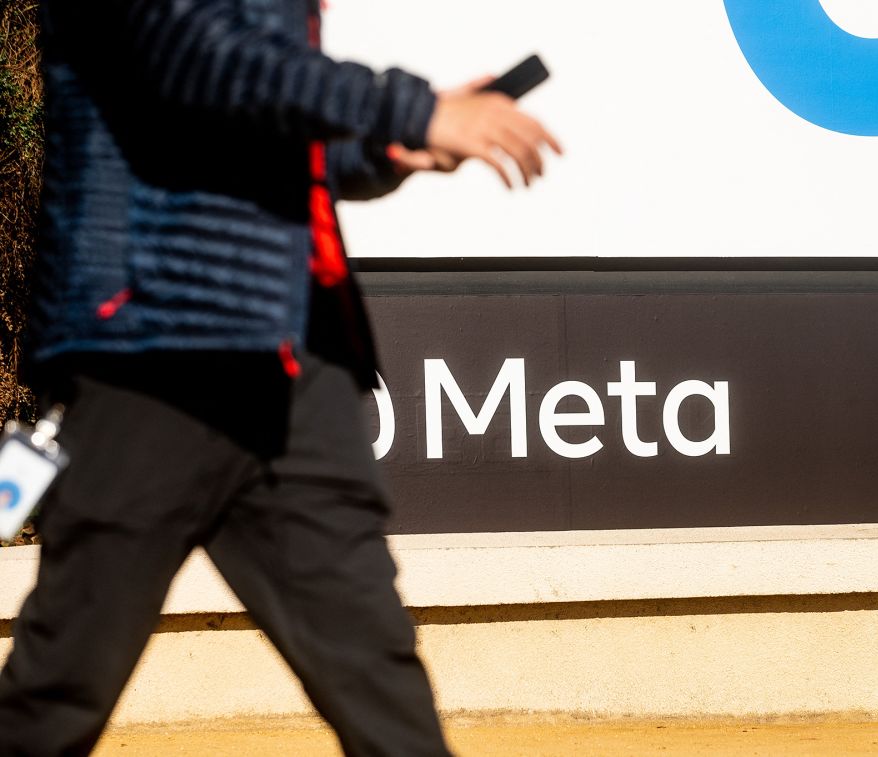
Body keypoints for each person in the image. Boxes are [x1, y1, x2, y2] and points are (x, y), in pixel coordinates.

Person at [0, 1, 560, 755]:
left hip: (297, 366)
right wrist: (413, 108)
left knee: (379, 677)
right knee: (59, 687)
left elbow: (272, 137)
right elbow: (200, 62)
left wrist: (391, 147)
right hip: (161, 350)